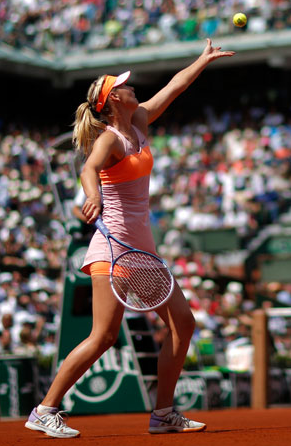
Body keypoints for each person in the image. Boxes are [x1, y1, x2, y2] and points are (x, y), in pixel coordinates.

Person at [26, 39, 235, 438]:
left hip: (144, 254)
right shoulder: (109, 138)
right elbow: (89, 169)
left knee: (183, 325)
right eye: (123, 86)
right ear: (111, 101)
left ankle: (163, 414)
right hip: (113, 250)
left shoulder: (138, 122)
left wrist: (202, 60)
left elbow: (174, 87)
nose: (131, 87)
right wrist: (92, 194)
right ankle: (45, 409)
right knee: (103, 336)